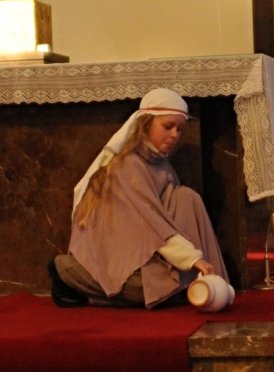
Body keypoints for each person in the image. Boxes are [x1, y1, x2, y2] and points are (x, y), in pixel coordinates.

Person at [48, 88, 228, 309]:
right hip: (113, 251)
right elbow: (152, 221)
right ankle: (66, 270)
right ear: (145, 124)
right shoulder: (129, 165)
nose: (174, 135)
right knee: (152, 291)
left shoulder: (160, 162)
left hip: (141, 245)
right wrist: (191, 259)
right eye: (168, 126)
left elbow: (166, 214)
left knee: (186, 198)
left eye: (179, 129)